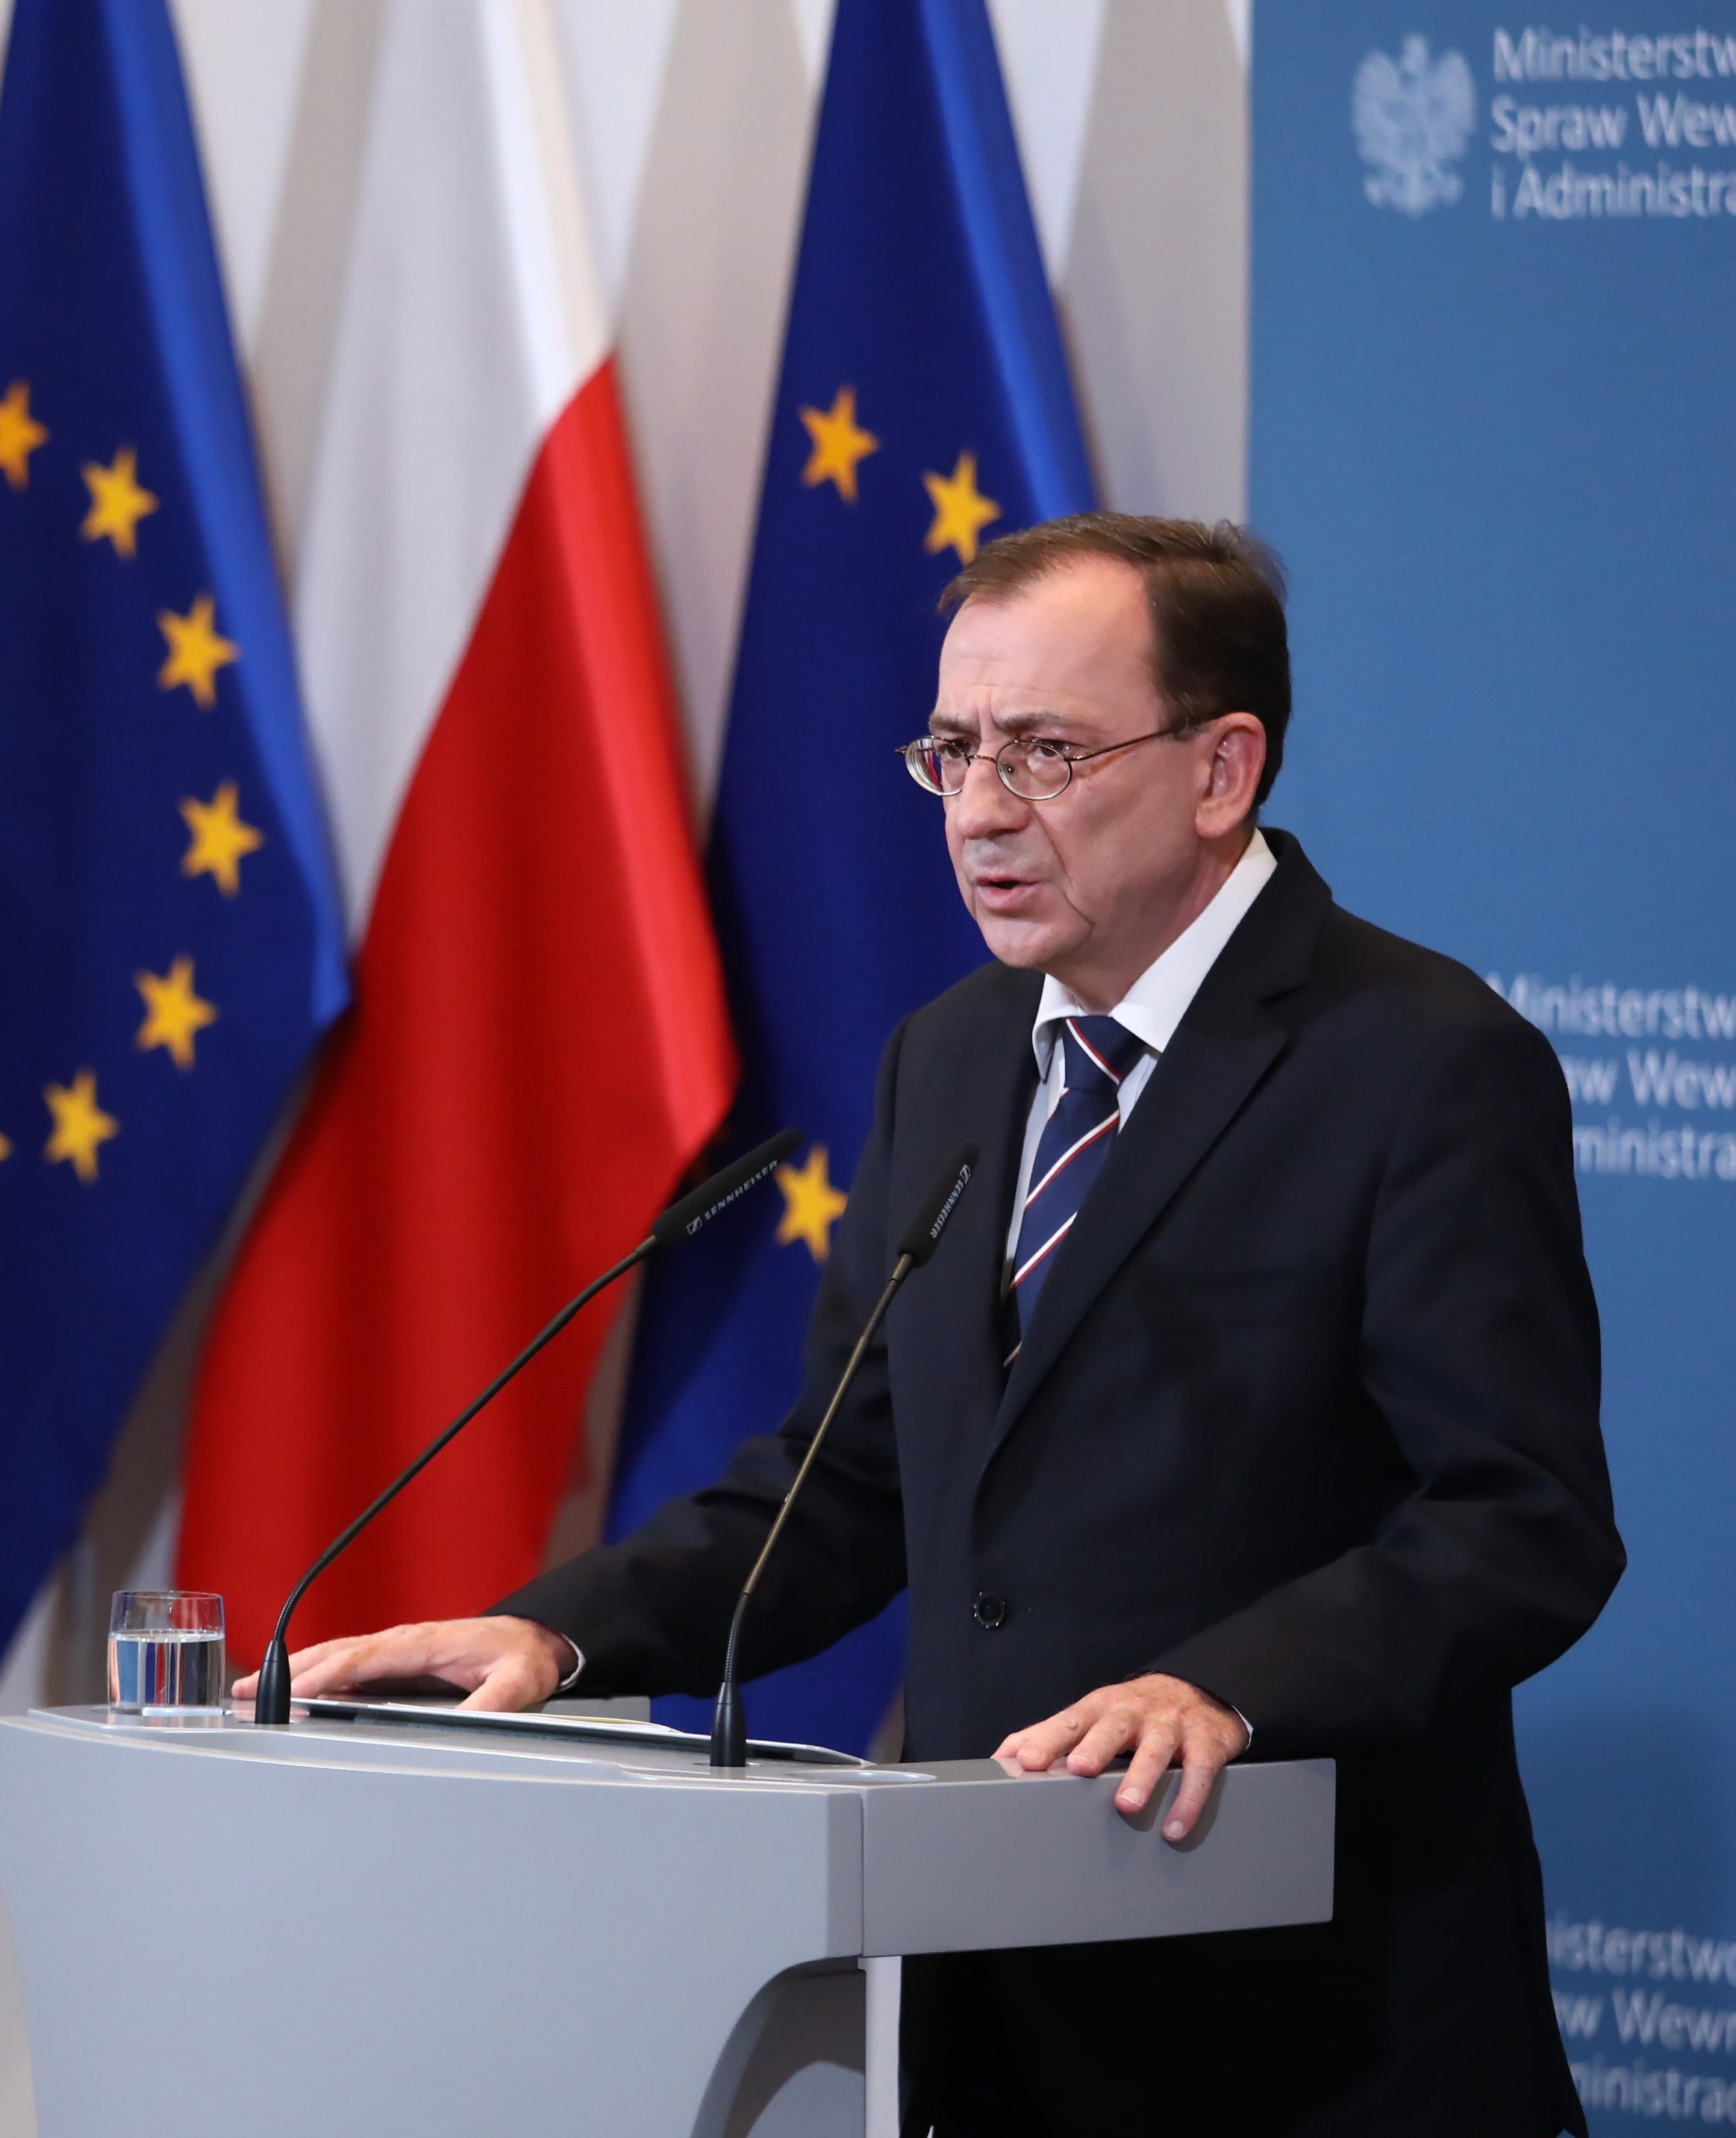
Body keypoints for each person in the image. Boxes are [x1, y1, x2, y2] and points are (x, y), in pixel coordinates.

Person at [265, 514, 1622, 2137]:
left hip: (1311, 2021)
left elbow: (1517, 1518)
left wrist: (1227, 1688)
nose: (979, 810)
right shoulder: (958, 1054)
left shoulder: (1415, 1060)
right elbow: (844, 1488)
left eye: (1046, 752)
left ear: (1221, 767)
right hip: (991, 2000)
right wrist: (562, 1638)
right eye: (953, 750)